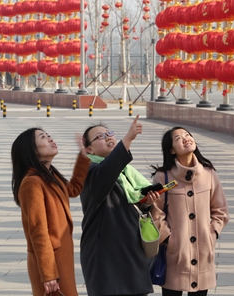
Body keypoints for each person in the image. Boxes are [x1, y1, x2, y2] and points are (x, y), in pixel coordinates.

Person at [79, 115, 161, 296]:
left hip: (131, 250)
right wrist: (128, 139)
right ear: (89, 149)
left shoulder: (126, 173)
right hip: (106, 254)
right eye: (100, 136)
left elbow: (132, 206)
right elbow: (104, 176)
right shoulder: (89, 170)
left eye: (109, 133)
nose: (108, 137)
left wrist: (146, 203)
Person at [151, 126, 230, 296]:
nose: (186, 138)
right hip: (176, 255)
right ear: (171, 150)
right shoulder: (162, 177)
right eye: (178, 138)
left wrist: (212, 233)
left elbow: (221, 210)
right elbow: (156, 213)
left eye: (187, 135)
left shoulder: (209, 174)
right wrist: (168, 238)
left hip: (203, 252)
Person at [11, 128, 91, 296]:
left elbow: (73, 189)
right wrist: (48, 274)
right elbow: (37, 231)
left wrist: (83, 157)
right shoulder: (32, 183)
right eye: (43, 137)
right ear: (32, 150)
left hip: (61, 257)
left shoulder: (50, 175)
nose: (50, 139)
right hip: (50, 261)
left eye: (48, 135)